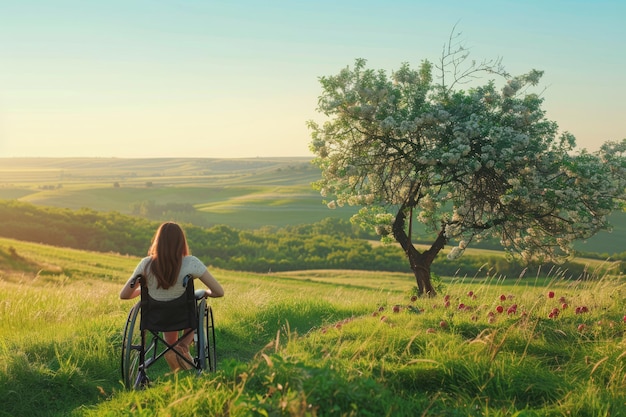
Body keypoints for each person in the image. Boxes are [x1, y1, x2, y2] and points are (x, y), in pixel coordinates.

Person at [120, 222, 224, 371]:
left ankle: (172, 348)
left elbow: (124, 295)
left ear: (158, 241)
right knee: (191, 302)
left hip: (157, 318)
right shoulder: (191, 263)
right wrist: (206, 293)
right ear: (181, 242)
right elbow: (219, 291)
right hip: (182, 316)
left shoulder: (146, 264)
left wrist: (144, 293)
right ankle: (182, 346)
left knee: (166, 307)